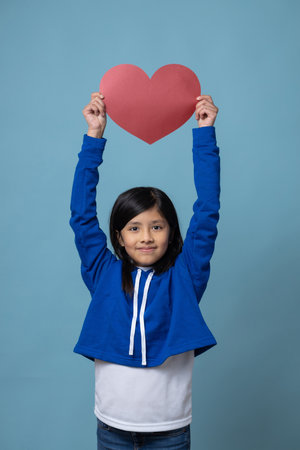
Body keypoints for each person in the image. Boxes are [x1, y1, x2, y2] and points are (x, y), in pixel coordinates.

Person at [69, 91, 220, 449]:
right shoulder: (102, 272)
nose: (147, 237)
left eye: (157, 226)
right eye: (134, 228)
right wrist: (94, 138)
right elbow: (82, 217)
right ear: (119, 237)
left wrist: (205, 135)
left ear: (172, 232)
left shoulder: (186, 276)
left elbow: (208, 211)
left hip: (170, 432)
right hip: (111, 429)